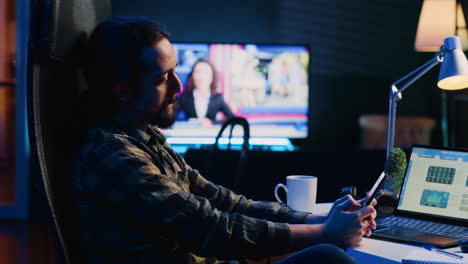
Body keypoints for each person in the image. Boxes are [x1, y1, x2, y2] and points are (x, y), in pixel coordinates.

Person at [73, 17, 377, 264]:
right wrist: (323, 232)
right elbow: (211, 229)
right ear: (122, 90)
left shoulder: (147, 138)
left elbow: (225, 202)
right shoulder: (112, 154)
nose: (180, 86)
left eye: (176, 71)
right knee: (327, 257)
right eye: (162, 79)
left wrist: (319, 217)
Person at [175, 59, 234, 127]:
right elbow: (171, 118)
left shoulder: (218, 98)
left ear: (212, 77)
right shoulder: (185, 97)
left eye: (205, 73)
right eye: (197, 72)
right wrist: (190, 122)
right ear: (192, 76)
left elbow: (232, 119)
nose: (201, 77)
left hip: (210, 135)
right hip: (189, 135)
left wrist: (212, 122)